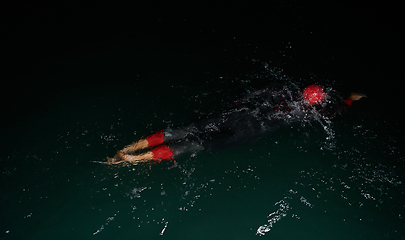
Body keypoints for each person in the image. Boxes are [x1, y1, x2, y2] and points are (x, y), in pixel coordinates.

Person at [106, 84, 366, 165]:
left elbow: (247, 96)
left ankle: (128, 148)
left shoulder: (282, 90)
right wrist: (350, 100)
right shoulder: (305, 113)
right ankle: (131, 161)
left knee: (184, 131)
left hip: (237, 115)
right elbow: (336, 114)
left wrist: (234, 104)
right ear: (314, 103)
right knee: (193, 145)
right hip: (248, 133)